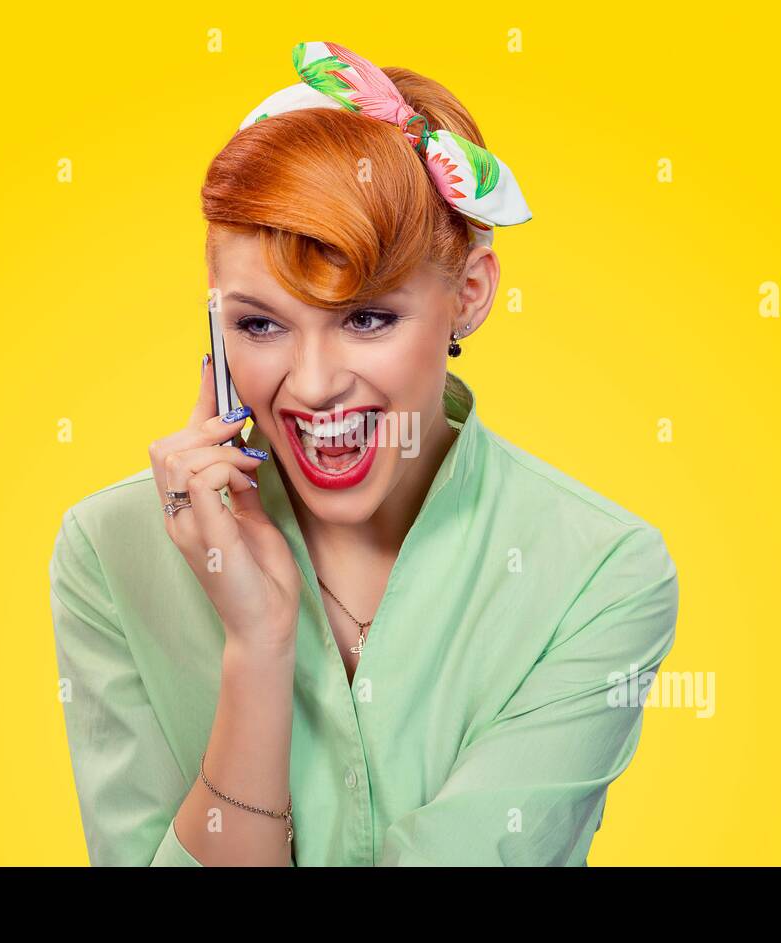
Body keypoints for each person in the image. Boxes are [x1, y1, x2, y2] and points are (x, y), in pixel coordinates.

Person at [49, 41, 679, 866]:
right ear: (214, 327)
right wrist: (259, 648)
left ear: (469, 296)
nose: (310, 387)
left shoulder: (598, 572)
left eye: (367, 319)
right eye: (260, 324)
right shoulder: (111, 550)